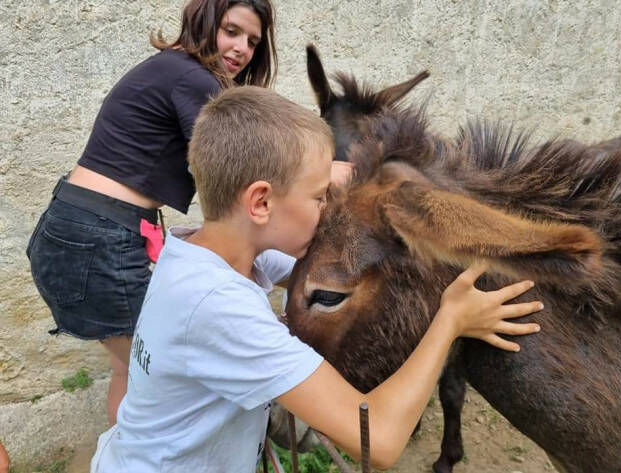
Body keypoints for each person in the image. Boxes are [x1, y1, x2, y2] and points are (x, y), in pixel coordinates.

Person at [90, 86, 543, 472]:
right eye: (319, 196)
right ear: (261, 203)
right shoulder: (218, 306)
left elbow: (332, 268)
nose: (328, 208)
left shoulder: (199, 251)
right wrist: (450, 321)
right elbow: (377, 440)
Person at [26, 0, 277, 427]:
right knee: (159, 377)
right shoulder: (192, 77)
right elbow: (239, 170)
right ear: (204, 19)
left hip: (73, 227)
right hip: (100, 236)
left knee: (134, 370)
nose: (241, 48)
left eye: (252, 41)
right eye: (231, 31)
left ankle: (123, 454)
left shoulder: (170, 68)